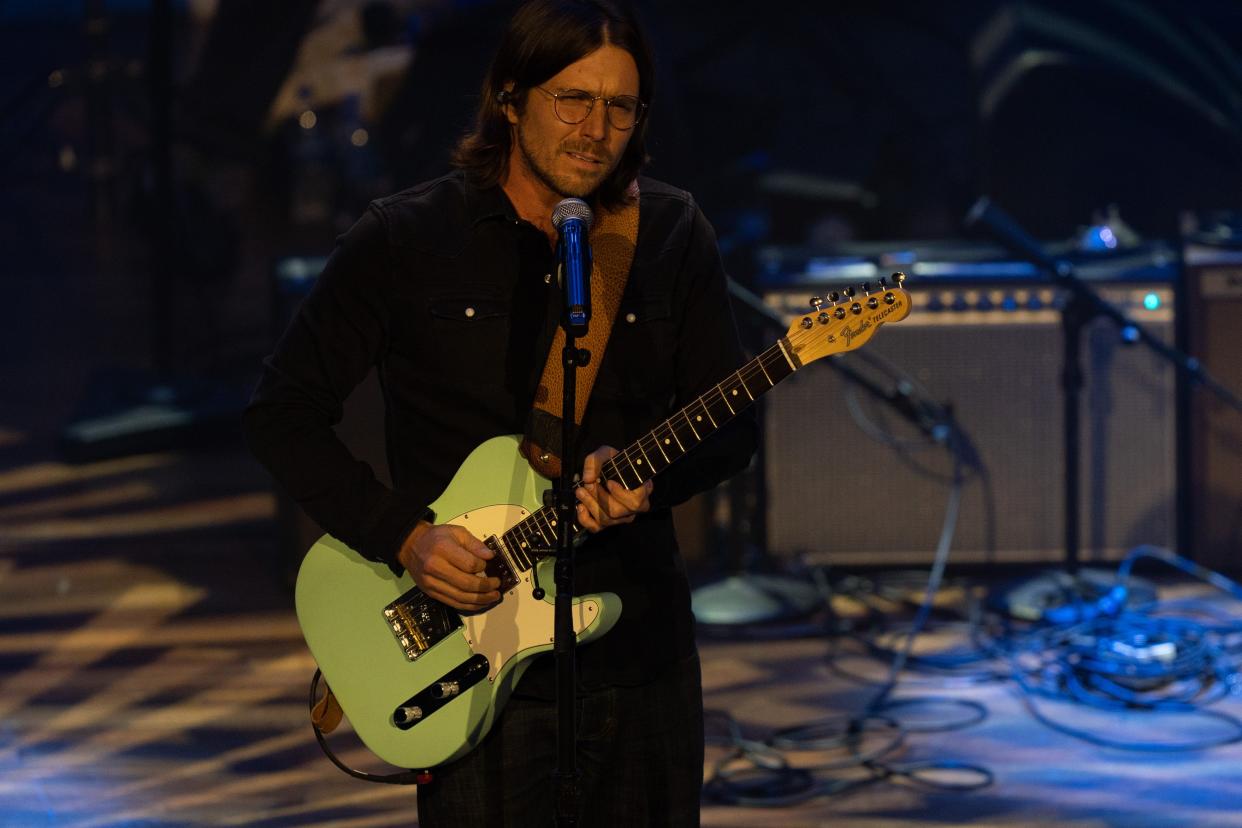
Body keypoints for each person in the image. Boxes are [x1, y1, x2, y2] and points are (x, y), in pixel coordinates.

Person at [243, 0, 758, 823]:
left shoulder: (668, 232)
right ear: (510, 98)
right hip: (468, 666)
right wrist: (405, 537)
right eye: (572, 100)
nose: (596, 129)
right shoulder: (404, 238)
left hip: (639, 656)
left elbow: (733, 430)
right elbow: (280, 414)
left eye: (620, 107)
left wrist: (653, 486)